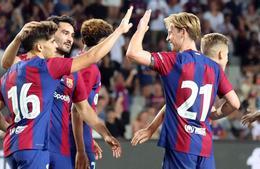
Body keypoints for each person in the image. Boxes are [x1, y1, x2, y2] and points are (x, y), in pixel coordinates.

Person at [0, 7, 133, 169]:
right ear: (51, 37)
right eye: (64, 33)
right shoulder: (41, 64)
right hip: (36, 146)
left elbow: (82, 109)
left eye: (72, 34)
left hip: (51, 148)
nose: (70, 38)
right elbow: (92, 56)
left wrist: (102, 135)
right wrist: (119, 31)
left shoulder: (69, 72)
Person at [126, 11, 240, 169]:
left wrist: (141, 29)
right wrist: (214, 114)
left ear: (183, 31)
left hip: (180, 144)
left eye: (170, 32)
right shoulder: (214, 67)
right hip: (205, 147)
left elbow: (132, 53)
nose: (168, 38)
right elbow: (234, 103)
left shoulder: (173, 61)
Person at [131, 33, 238, 145]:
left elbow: (173, 104)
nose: (227, 60)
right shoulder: (215, 72)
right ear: (221, 54)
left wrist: (151, 129)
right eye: (227, 55)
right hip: (198, 142)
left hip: (182, 140)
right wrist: (214, 115)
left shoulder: (192, 67)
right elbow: (234, 103)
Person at [70, 18, 114, 169]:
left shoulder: (77, 62)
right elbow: (77, 111)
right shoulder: (89, 68)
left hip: (78, 137)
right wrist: (81, 150)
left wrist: (89, 140)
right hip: (76, 143)